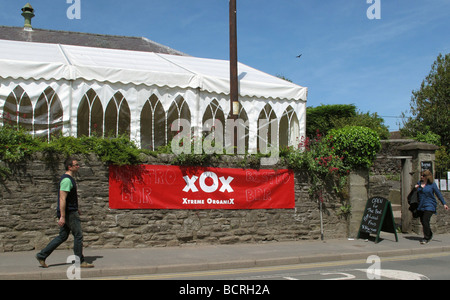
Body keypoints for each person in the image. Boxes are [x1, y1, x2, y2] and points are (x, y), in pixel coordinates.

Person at [36, 158, 94, 268]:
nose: (78, 166)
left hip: (71, 211)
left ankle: (41, 255)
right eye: (76, 165)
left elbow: (69, 199)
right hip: (69, 213)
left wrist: (76, 208)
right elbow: (62, 199)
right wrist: (62, 216)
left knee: (62, 236)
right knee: (78, 236)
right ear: (69, 167)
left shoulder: (69, 179)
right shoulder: (67, 180)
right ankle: (79, 261)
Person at [415, 170, 448, 244]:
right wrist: (416, 188)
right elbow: (415, 194)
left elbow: (438, 194)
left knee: (425, 220)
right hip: (421, 205)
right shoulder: (419, 183)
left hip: (430, 204)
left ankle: (426, 237)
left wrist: (444, 204)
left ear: (427, 177)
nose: (421, 177)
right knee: (423, 222)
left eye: (423, 175)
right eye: (421, 175)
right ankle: (429, 234)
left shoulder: (432, 184)